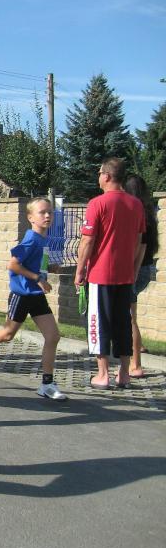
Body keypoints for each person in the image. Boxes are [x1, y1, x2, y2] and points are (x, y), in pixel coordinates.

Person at [0, 197, 66, 400]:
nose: (47, 215)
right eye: (42, 212)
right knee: (7, 334)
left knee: (53, 336)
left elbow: (36, 264)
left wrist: (49, 268)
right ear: (30, 217)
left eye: (50, 212)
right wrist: (37, 278)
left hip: (36, 296)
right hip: (21, 294)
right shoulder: (31, 239)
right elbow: (13, 264)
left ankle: (47, 384)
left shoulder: (43, 239)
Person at [74, 157, 146, 389]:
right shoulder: (136, 204)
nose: (98, 177)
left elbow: (87, 241)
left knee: (98, 322)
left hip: (100, 275)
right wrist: (131, 268)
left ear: (106, 176)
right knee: (123, 322)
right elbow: (138, 241)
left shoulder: (97, 203)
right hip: (125, 276)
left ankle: (102, 374)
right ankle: (124, 374)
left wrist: (79, 271)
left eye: (99, 173)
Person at [124, 174, 159, 378]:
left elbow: (139, 245)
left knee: (129, 318)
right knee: (131, 316)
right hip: (146, 268)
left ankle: (135, 364)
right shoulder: (148, 212)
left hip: (135, 269)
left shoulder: (135, 214)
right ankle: (138, 348)